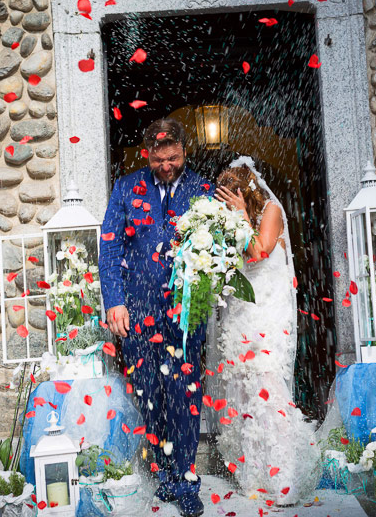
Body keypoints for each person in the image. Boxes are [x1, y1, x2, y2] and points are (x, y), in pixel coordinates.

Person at [99, 118, 213, 517]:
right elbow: (110, 249)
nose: (167, 165)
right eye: (160, 159)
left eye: (174, 157)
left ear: (184, 151)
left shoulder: (203, 190)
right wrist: (115, 301)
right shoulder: (126, 188)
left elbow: (216, 247)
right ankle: (163, 471)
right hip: (137, 310)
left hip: (185, 312)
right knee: (149, 392)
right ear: (148, 154)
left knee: (185, 393)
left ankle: (186, 479)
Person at [208, 159, 319, 505]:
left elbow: (257, 252)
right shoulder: (232, 218)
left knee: (266, 385)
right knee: (243, 387)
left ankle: (283, 476)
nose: (225, 206)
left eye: (230, 198)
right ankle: (255, 473)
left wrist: (240, 213)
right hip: (241, 310)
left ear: (244, 192)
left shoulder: (270, 210)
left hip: (269, 309)